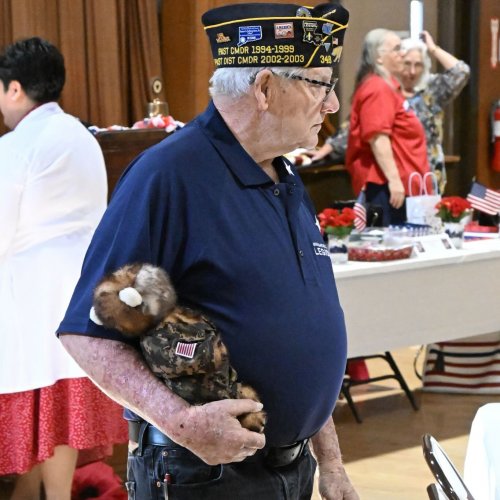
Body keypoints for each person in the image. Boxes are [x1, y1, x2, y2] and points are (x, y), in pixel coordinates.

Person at [57, 4, 359, 500]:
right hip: (203, 474)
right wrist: (181, 422)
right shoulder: (171, 178)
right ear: (264, 89)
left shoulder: (282, 176)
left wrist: (331, 461)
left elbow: (303, 331)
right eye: (319, 85)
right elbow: (91, 335)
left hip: (292, 469)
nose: (331, 105)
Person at [0, 37, 128, 499]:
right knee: (60, 406)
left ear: (15, 89)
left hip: (29, 294)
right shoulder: (83, 137)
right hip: (80, 290)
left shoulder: (15, 147)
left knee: (43, 408)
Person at [344, 28, 429, 226]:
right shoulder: (377, 88)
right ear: (379, 58)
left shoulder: (387, 86)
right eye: (397, 49)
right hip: (385, 187)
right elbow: (378, 138)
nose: (403, 53)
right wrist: (395, 180)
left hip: (397, 185)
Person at [400, 31, 470, 194]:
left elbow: (462, 72)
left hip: (428, 177)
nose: (412, 71)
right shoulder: (386, 90)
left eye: (417, 64)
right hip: (397, 177)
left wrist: (432, 48)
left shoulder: (430, 89)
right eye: (407, 63)